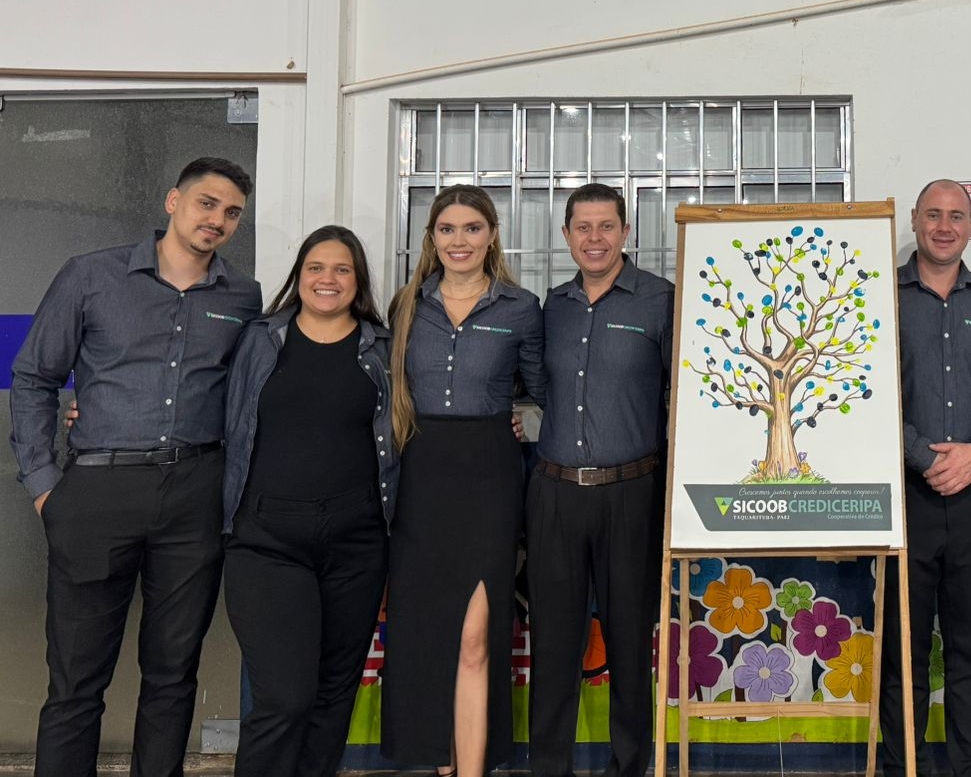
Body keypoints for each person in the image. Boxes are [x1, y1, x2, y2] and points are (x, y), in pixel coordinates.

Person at [9, 157, 263, 777]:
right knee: (75, 679)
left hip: (195, 494)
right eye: (207, 204)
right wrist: (45, 486)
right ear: (174, 201)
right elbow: (34, 377)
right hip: (97, 490)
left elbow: (246, 394)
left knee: (173, 673)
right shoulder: (91, 276)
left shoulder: (243, 295)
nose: (218, 220)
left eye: (232, 212)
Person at [380, 185, 543, 777]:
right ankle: (439, 761)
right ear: (432, 237)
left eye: (472, 228)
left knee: (476, 636)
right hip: (420, 477)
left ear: (492, 235)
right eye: (447, 229)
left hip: (489, 478)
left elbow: (542, 395)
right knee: (427, 634)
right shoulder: (406, 305)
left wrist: (522, 422)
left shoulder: (521, 307)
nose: (459, 241)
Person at [221, 225, 396, 777]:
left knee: (333, 694)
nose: (328, 279)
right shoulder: (258, 340)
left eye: (342, 269)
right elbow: (203, 400)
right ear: (299, 276)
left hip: (357, 543)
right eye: (316, 268)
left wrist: (510, 418)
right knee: (284, 698)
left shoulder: (383, 347)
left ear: (358, 280)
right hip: (266, 540)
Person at [526, 183, 674, 777]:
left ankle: (629, 766)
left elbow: (684, 395)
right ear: (566, 236)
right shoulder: (551, 306)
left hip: (632, 493)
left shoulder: (661, 301)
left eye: (606, 226)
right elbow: (535, 387)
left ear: (626, 232)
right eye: (583, 228)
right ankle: (549, 768)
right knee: (554, 645)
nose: (595, 238)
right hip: (555, 493)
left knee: (631, 642)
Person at [880, 180, 971, 777]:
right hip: (902, 498)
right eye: (934, 215)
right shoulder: (875, 296)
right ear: (915, 219)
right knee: (902, 654)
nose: (945, 226)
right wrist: (924, 456)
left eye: (957, 216)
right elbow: (863, 389)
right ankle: (903, 768)